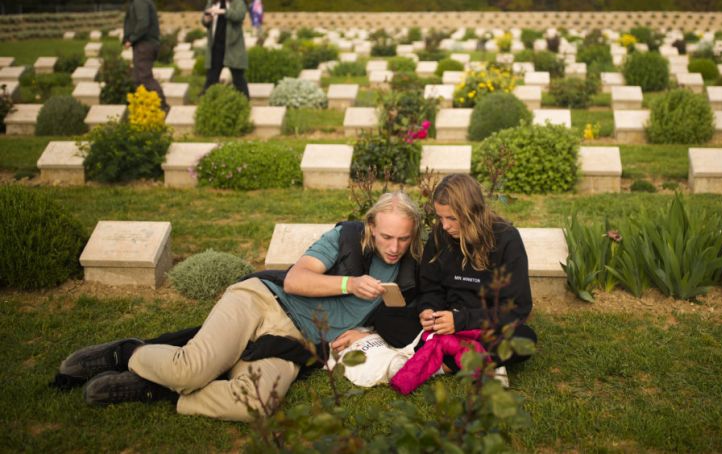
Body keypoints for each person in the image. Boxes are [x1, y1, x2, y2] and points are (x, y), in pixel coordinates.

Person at [55, 191, 423, 422]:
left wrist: (366, 330)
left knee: (258, 404)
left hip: (293, 342)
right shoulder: (345, 237)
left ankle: (156, 389)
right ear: (371, 226)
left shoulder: (409, 272)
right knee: (191, 369)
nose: (394, 246)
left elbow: (403, 323)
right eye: (386, 236)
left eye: (403, 238)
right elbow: (296, 279)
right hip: (263, 301)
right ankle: (127, 353)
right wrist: (349, 283)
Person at [390, 174, 535, 394]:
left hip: (481, 324)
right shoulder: (440, 234)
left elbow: (517, 307)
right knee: (386, 318)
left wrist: (460, 321)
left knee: (525, 339)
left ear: (472, 213)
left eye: (452, 218)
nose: (445, 226)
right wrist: (428, 310)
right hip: (444, 321)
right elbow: (430, 288)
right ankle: (475, 360)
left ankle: (443, 363)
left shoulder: (506, 238)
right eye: (440, 217)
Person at [122, 0, 168, 112]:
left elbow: (143, 23)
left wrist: (132, 38)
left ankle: (162, 107)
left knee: (144, 77)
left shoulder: (140, 0)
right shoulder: (137, 0)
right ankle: (145, 107)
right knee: (138, 79)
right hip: (143, 44)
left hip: (145, 44)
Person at [202, 0, 250, 99]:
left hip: (232, 44)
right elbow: (204, 19)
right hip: (216, 44)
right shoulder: (212, 0)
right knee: (212, 76)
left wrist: (223, 11)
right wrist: (207, 19)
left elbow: (239, 15)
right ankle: (207, 102)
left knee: (238, 76)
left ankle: (245, 101)